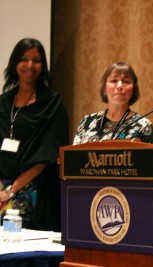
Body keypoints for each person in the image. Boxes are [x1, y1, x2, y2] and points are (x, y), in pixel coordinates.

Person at [0, 38, 69, 231]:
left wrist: (11, 191)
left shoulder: (53, 103)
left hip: (37, 190)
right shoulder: (3, 102)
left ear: (43, 66)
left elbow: (48, 154)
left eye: (36, 60)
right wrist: (1, 191)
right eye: (24, 59)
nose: (30, 65)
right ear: (15, 64)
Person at [73, 61, 153, 145]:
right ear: (104, 87)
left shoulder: (143, 125)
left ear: (134, 89)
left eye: (126, 81)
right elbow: (72, 156)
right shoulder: (87, 122)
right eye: (114, 81)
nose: (119, 86)